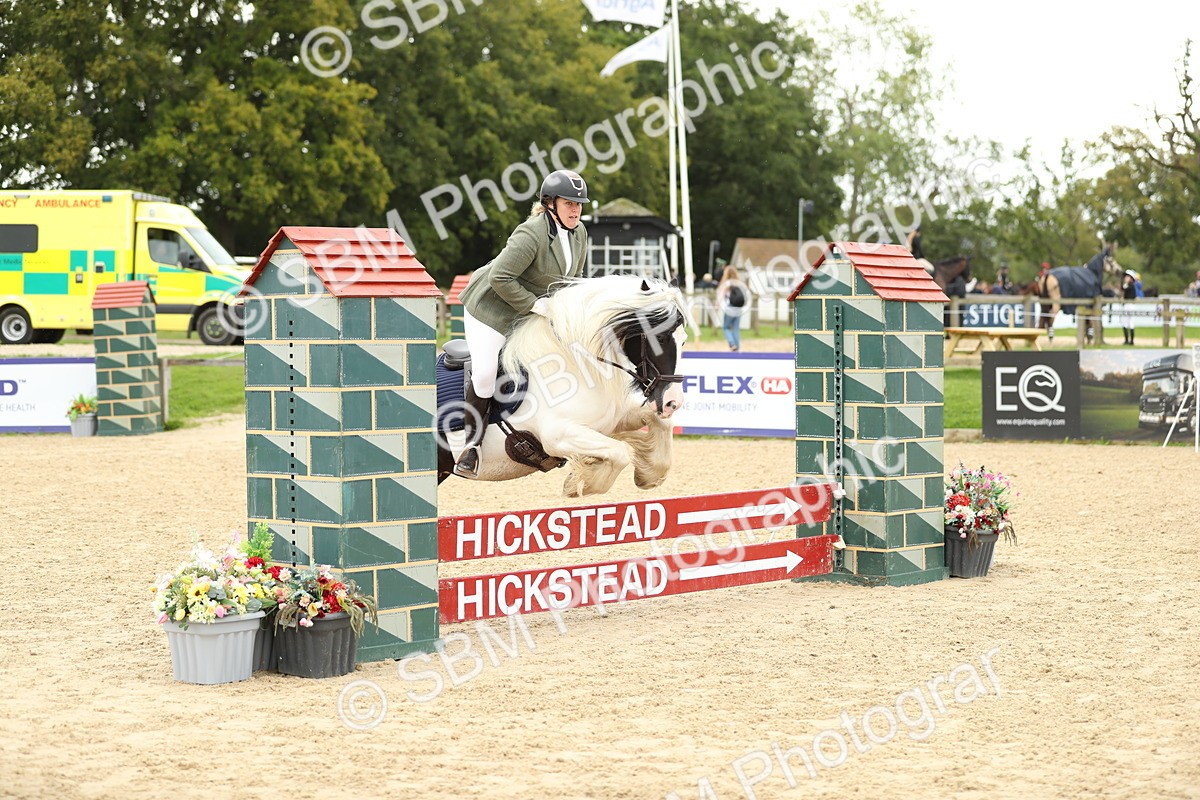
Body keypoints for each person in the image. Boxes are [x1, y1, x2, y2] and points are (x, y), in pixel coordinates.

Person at [453, 169, 590, 478]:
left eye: (579, 204)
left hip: (528, 310)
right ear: (551, 203)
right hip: (489, 309)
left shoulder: (580, 233)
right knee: (487, 372)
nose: (576, 210)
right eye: (569, 203)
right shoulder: (531, 233)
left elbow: (572, 280)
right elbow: (499, 277)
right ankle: (471, 448)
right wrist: (534, 304)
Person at [716, 264, 747, 352]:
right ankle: (737, 347)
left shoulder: (726, 283)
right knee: (736, 328)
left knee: (726, 327)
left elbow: (721, 295)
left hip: (730, 308)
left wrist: (717, 306)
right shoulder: (739, 283)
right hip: (739, 308)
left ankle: (732, 343)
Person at [1121, 269, 1138, 345]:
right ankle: (1127, 340)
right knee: (1125, 322)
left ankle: (1131, 341)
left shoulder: (1131, 286)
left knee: (1130, 322)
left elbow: (1124, 290)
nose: (1125, 278)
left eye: (1127, 277)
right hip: (1126, 305)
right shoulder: (1127, 285)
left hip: (1130, 306)